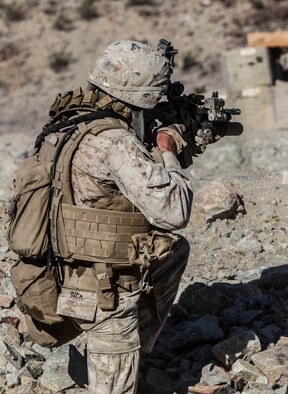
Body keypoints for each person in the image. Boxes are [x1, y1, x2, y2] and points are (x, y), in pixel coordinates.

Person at [22, 40, 193, 393]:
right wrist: (168, 153)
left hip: (52, 274)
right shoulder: (116, 142)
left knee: (174, 252)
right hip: (104, 293)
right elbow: (175, 212)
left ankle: (127, 353)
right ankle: (123, 349)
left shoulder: (62, 128)